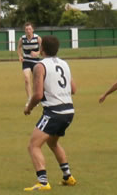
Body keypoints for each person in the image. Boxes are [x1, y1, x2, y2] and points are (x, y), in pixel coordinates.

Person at [23, 35, 77, 191]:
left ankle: (43, 182)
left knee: (33, 145)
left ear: (42, 49)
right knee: (52, 142)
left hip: (54, 112)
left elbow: (38, 94)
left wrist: (29, 107)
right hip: (69, 111)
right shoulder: (64, 64)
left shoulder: (40, 66)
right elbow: (73, 89)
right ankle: (68, 176)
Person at [18, 23, 42, 101]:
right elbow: (19, 48)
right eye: (26, 29)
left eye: (29, 29)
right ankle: (30, 99)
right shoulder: (22, 39)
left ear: (32, 30)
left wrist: (37, 53)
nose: (28, 31)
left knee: (36, 81)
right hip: (26, 61)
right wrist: (20, 56)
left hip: (36, 62)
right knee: (26, 79)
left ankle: (36, 98)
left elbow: (43, 50)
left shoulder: (38, 38)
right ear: (25, 30)